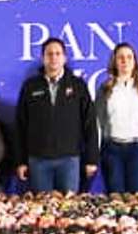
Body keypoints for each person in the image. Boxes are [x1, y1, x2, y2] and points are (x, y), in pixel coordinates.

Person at [13, 38, 97, 193]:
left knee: (69, 210)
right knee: (42, 210)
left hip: (69, 160)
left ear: (64, 58)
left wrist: (91, 159)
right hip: (38, 161)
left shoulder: (78, 85)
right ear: (43, 58)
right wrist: (20, 161)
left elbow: (90, 124)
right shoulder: (30, 86)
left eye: (58, 53)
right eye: (49, 54)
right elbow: (20, 125)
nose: (53, 57)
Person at [96, 43, 138, 193]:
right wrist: (95, 154)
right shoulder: (105, 89)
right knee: (115, 198)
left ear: (135, 62)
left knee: (136, 197)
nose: (125, 61)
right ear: (114, 61)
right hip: (112, 150)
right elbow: (98, 123)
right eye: (121, 57)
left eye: (129, 57)